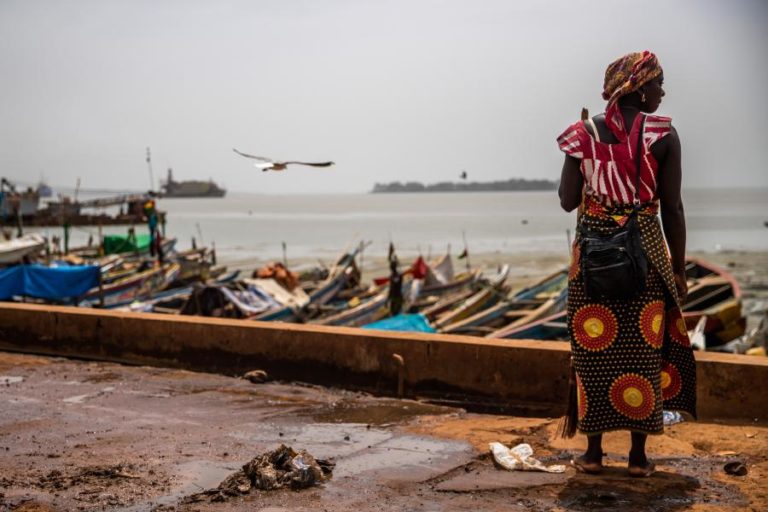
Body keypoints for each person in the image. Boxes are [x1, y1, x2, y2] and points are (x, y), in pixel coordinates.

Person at [556, 51, 696, 477]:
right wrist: (678, 268)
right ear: (638, 86)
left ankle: (594, 455)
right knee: (643, 352)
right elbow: (671, 208)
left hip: (591, 255)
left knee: (593, 352)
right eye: (658, 83)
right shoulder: (664, 135)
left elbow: (566, 201)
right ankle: (638, 458)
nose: (663, 91)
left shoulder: (581, 134)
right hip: (647, 252)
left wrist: (593, 172)